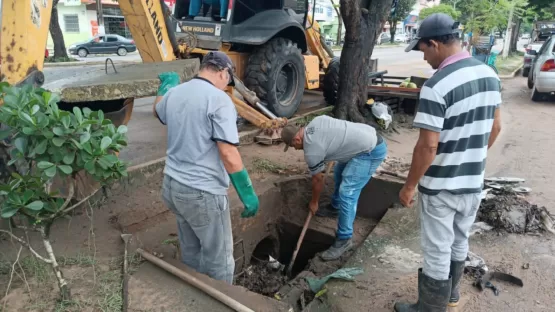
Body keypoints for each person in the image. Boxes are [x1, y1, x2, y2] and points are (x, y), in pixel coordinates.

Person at [394, 13, 502, 312]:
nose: (424, 58)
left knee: (437, 250)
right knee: (458, 240)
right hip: (473, 183)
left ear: (434, 44)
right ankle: (451, 297)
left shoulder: (437, 85)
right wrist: (471, 156)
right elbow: (494, 129)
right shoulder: (489, 75)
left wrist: (409, 185)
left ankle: (430, 308)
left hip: (441, 187)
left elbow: (428, 146)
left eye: (423, 50)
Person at [153, 51, 259, 284]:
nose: (226, 85)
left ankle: (196, 295)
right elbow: (228, 153)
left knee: (191, 249)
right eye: (228, 80)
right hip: (202, 194)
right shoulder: (219, 100)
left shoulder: (176, 92)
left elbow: (158, 112)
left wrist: (165, 87)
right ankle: (220, 302)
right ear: (223, 73)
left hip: (172, 186)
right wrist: (248, 194)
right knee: (220, 261)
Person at [281, 116, 387, 261]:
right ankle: (335, 208)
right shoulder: (316, 121)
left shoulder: (312, 150)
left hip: (370, 151)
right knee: (338, 172)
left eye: (294, 147)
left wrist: (314, 202)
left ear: (297, 140)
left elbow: (317, 179)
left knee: (347, 192)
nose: (297, 149)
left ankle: (344, 239)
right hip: (362, 141)